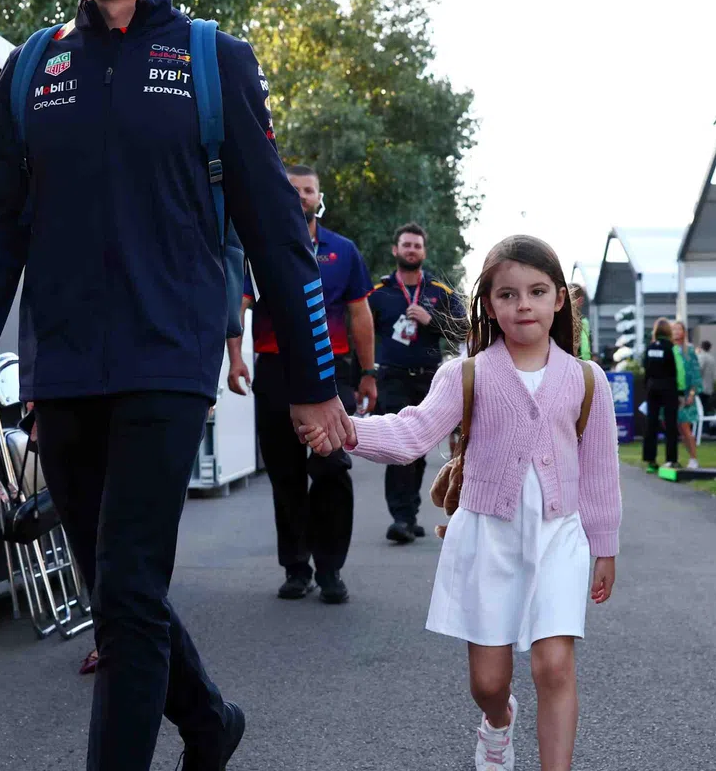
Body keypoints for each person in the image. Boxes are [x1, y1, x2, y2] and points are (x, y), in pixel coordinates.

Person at [0, 0, 354, 771]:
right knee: (117, 589)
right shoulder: (34, 68)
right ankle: (208, 722)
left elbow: (278, 234)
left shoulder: (214, 59)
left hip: (168, 360)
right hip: (63, 364)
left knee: (124, 592)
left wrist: (316, 385)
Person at [298, 235, 621, 771]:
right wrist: (345, 428)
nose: (524, 306)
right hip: (485, 537)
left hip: (559, 537)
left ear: (559, 300)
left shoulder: (588, 381)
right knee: (488, 683)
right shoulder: (466, 374)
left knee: (555, 666)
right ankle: (498, 723)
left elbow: (601, 472)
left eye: (538, 292)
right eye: (509, 295)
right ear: (488, 304)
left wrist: (604, 546)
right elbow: (412, 433)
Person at [227, 164, 376, 603]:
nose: (300, 197)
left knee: (332, 467)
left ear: (319, 198)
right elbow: (239, 305)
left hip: (333, 368)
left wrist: (368, 373)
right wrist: (236, 357)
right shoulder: (260, 249)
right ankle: (296, 568)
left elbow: (360, 314)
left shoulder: (343, 251)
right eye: (292, 189)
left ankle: (330, 569)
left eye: (308, 190)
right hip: (274, 369)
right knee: (284, 472)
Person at [365, 222, 465, 543]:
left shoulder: (439, 292)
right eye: (406, 245)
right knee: (399, 446)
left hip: (429, 381)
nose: (411, 250)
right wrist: (362, 378)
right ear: (396, 250)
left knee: (418, 449)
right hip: (391, 378)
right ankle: (401, 517)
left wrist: (431, 320)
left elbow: (464, 329)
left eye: (417, 245)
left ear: (424, 252)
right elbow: (360, 334)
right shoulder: (378, 294)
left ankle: (410, 512)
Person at [638, 318, 681, 472]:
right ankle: (671, 459)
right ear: (668, 331)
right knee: (670, 425)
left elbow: (645, 369)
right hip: (669, 388)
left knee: (651, 424)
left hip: (652, 388)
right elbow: (679, 370)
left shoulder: (650, 348)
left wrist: (647, 386)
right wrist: (681, 391)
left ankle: (651, 460)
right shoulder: (672, 348)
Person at [670, 320, 700, 468]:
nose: (676, 332)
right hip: (673, 394)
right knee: (679, 428)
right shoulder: (670, 350)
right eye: (673, 329)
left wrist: (692, 394)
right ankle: (687, 456)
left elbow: (695, 374)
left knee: (685, 427)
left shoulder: (690, 350)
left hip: (687, 394)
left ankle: (694, 458)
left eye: (678, 329)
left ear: (684, 332)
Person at [568, 284, 593, 361]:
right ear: (580, 300)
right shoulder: (582, 321)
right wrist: (586, 361)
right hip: (578, 361)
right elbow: (585, 348)